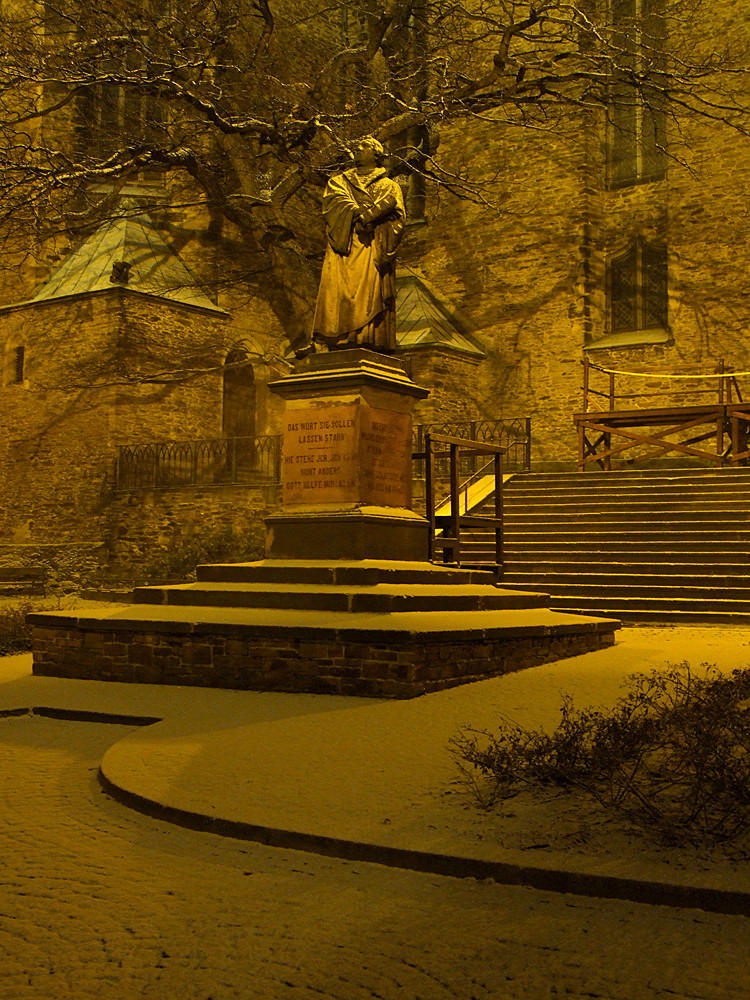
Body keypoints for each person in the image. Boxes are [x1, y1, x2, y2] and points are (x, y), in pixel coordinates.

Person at [310, 137, 405, 353]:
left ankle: (365, 336)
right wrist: (358, 214)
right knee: (337, 291)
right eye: (357, 148)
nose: (357, 150)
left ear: (376, 154)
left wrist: (375, 221)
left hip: (371, 246)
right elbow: (334, 204)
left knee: (368, 294)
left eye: (363, 148)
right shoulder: (339, 182)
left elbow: (399, 217)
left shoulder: (389, 186)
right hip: (344, 247)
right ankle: (339, 337)